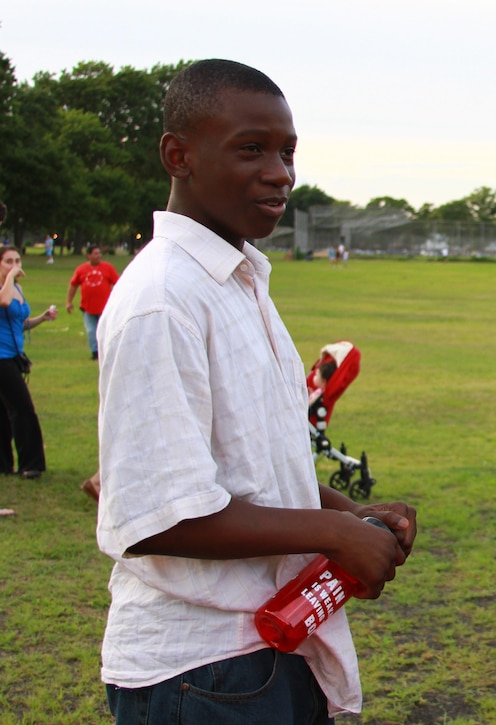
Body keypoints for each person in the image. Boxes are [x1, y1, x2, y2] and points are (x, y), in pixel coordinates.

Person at [95, 59, 417, 723]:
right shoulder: (165, 295)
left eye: (287, 151)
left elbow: (251, 467)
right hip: (202, 670)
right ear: (177, 155)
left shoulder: (236, 279)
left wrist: (350, 513)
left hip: (266, 648)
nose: (280, 173)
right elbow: (161, 513)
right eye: (251, 149)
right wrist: (331, 529)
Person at [0, 246, 58, 479]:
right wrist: (11, 277)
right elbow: (3, 303)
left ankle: (4, 465)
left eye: (17, 260)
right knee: (23, 409)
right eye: (8, 261)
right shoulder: (6, 290)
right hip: (1, 358)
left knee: (4, 412)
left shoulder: (18, 289)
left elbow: (20, 323)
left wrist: (42, 318)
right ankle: (31, 464)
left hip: (14, 357)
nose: (15, 265)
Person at [66, 244, 120, 360]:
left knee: (105, 331)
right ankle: (95, 352)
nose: (98, 256)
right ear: (88, 255)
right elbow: (73, 285)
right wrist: (69, 302)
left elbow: (118, 284)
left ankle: (106, 351)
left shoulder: (108, 268)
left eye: (99, 253)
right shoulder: (81, 269)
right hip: (88, 307)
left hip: (104, 308)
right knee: (91, 331)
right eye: (95, 253)